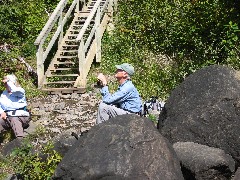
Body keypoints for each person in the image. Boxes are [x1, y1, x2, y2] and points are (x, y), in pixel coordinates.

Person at [0, 74, 30, 140]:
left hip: (21, 116)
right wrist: (2, 112)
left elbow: (15, 90)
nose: (5, 85)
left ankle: (20, 140)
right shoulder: (4, 94)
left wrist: (9, 82)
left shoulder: (20, 91)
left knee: (14, 118)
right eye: (4, 83)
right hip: (8, 117)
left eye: (6, 83)